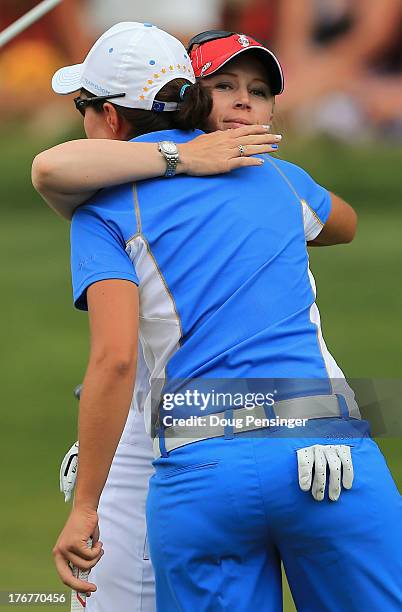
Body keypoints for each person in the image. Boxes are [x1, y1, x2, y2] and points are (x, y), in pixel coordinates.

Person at [32, 24, 402, 612]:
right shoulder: (278, 175)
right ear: (194, 102)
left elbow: (116, 357)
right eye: (225, 87)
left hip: (198, 460)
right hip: (325, 443)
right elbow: (344, 224)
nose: (244, 101)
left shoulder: (99, 209)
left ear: (106, 118)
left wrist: (85, 508)